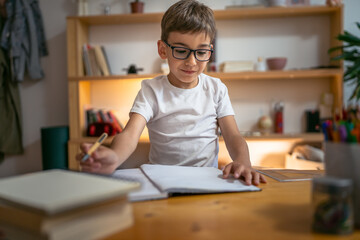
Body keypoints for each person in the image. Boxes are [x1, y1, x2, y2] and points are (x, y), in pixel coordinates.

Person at [76, 0, 266, 186]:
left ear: (210, 51)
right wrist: (115, 156)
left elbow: (233, 137)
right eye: (181, 51)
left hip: (206, 181)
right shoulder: (151, 90)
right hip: (162, 182)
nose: (192, 61)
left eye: (201, 52)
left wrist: (243, 161)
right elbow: (129, 135)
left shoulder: (216, 89)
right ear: (162, 49)